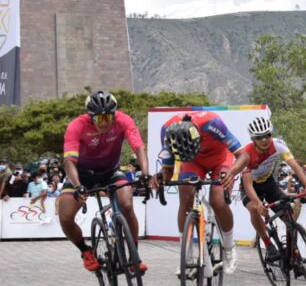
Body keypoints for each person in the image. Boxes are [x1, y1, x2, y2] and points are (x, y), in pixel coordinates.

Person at [60, 91, 151, 272]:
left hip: (110, 172)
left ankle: (133, 255)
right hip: (82, 175)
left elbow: (138, 147)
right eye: (99, 118)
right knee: (65, 216)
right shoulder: (76, 126)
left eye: (108, 117)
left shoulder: (123, 120)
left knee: (126, 205)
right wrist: (78, 186)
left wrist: (146, 174)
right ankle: (86, 251)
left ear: (114, 114)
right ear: (90, 116)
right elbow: (69, 161)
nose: (104, 123)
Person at [221, 116, 306, 263]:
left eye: (267, 135)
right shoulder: (246, 154)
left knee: (288, 213)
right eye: (260, 137)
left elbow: (294, 166)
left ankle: (293, 252)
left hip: (269, 182)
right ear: (253, 139)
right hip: (251, 187)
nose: (265, 139)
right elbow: (248, 184)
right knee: (254, 208)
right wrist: (258, 203)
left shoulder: (278, 145)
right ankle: (268, 243)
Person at [160, 111, 242, 275]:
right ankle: (187, 257)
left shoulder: (212, 123)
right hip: (192, 160)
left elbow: (242, 155)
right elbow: (167, 170)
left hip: (220, 158)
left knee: (218, 201)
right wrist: (159, 180)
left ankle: (228, 247)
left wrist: (231, 173)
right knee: (185, 197)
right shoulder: (167, 130)